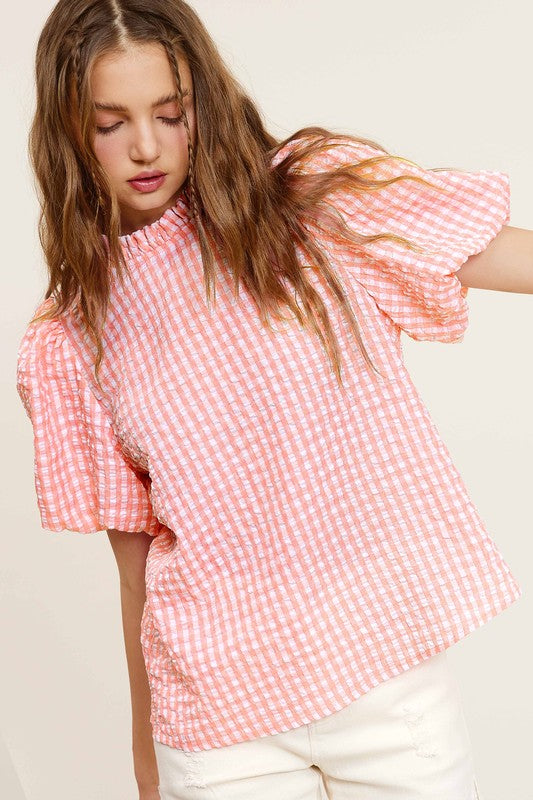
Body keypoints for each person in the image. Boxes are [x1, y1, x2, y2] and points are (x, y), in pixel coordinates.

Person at [15, 1, 529, 799]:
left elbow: (501, 257)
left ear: (202, 107)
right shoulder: (72, 336)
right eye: (109, 123)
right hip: (218, 728)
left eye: (170, 113)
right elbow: (136, 572)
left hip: (383, 687)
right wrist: (146, 759)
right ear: (67, 133)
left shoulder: (310, 201)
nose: (145, 146)